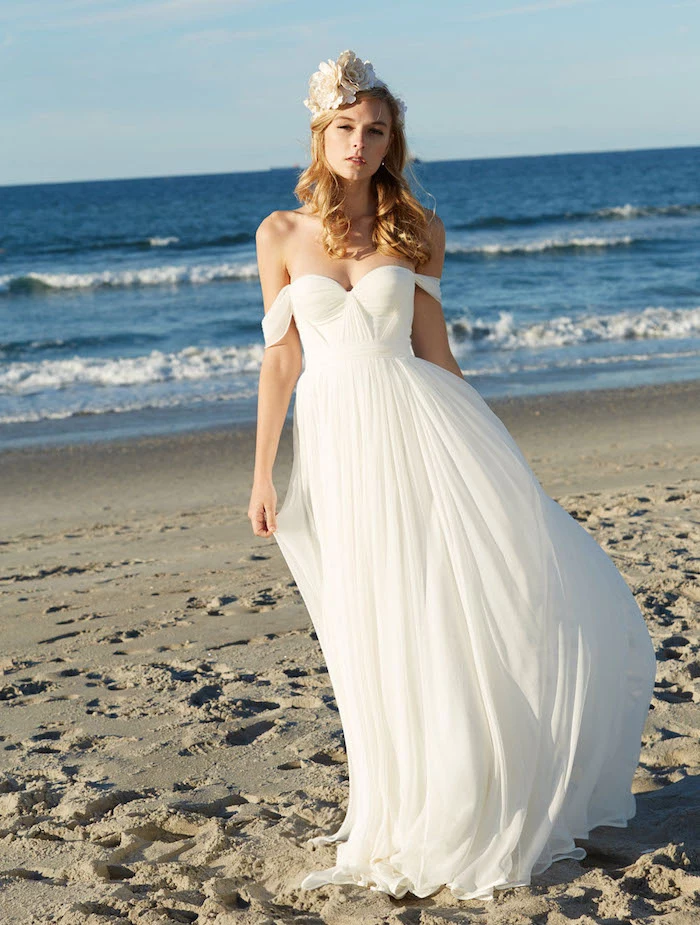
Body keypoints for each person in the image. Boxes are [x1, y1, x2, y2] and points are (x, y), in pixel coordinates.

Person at [248, 49, 657, 903]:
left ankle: (466, 796)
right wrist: (263, 472)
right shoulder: (280, 235)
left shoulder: (417, 230)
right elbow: (280, 363)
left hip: (425, 437)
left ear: (394, 142)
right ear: (321, 135)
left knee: (439, 608)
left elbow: (439, 360)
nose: (360, 144)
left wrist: (503, 463)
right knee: (373, 622)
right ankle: (397, 806)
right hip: (340, 449)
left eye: (377, 130)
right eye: (347, 129)